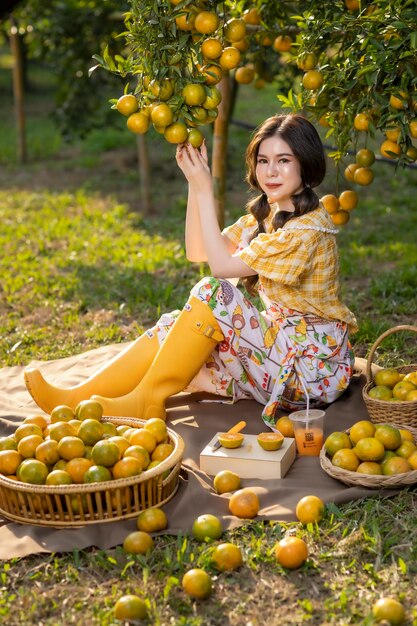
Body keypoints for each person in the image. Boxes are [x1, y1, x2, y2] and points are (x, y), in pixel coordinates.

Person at [24, 113, 358, 430]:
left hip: (311, 374)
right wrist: (194, 187)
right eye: (263, 161)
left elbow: (219, 270)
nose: (270, 171)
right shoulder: (272, 213)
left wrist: (204, 188)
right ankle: (77, 400)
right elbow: (197, 250)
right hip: (285, 351)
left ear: (306, 163)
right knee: (176, 325)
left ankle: (146, 400)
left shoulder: (305, 231)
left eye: (283, 160)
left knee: (213, 293)